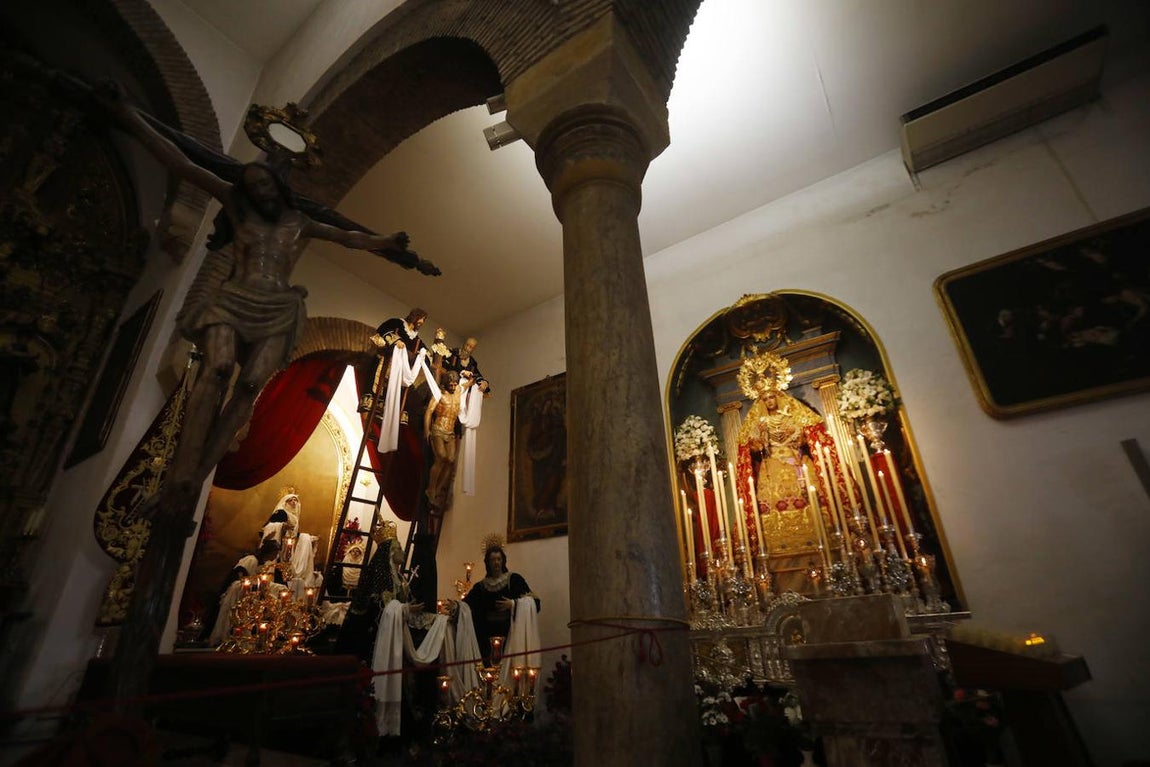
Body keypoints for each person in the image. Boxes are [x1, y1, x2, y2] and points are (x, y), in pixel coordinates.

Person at [94, 84, 431, 507]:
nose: (261, 190)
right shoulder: (237, 209)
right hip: (235, 297)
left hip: (278, 306)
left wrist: (386, 241)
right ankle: (182, 471)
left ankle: (195, 475)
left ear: (278, 187)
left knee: (250, 383)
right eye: (253, 184)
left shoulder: (298, 222)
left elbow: (346, 236)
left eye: (266, 184)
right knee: (216, 370)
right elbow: (180, 160)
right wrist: (128, 116)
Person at [463, 540, 539, 665]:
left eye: (499, 559)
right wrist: (456, 606)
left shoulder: (514, 580)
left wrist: (514, 604)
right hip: (486, 635)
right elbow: (467, 604)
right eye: (493, 560)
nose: (496, 562)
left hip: (510, 632)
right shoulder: (481, 586)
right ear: (488, 562)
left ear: (503, 560)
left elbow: (535, 602)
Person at [423, 371, 467, 509]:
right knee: (441, 457)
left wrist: (479, 381)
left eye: (455, 384)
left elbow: (470, 383)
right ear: (446, 383)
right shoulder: (439, 394)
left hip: (450, 432)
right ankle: (430, 488)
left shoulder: (459, 390)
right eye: (451, 384)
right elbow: (429, 411)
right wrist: (427, 431)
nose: (454, 386)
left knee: (451, 460)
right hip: (438, 429)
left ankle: (436, 490)